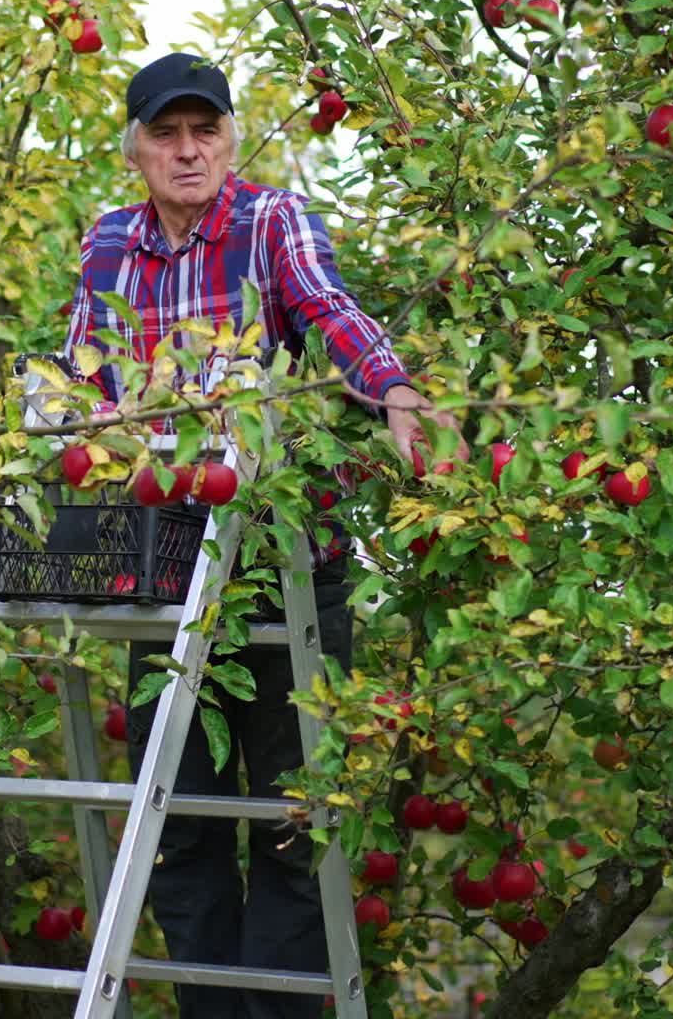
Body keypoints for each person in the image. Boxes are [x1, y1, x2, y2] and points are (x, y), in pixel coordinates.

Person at [63, 52, 465, 1018]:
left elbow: (328, 309)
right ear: (138, 152)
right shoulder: (111, 241)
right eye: (167, 133)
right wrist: (67, 418)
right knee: (180, 828)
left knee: (294, 823)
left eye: (205, 131)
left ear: (231, 139)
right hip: (159, 568)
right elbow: (83, 361)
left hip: (283, 563)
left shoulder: (270, 222)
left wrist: (395, 389)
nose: (188, 149)